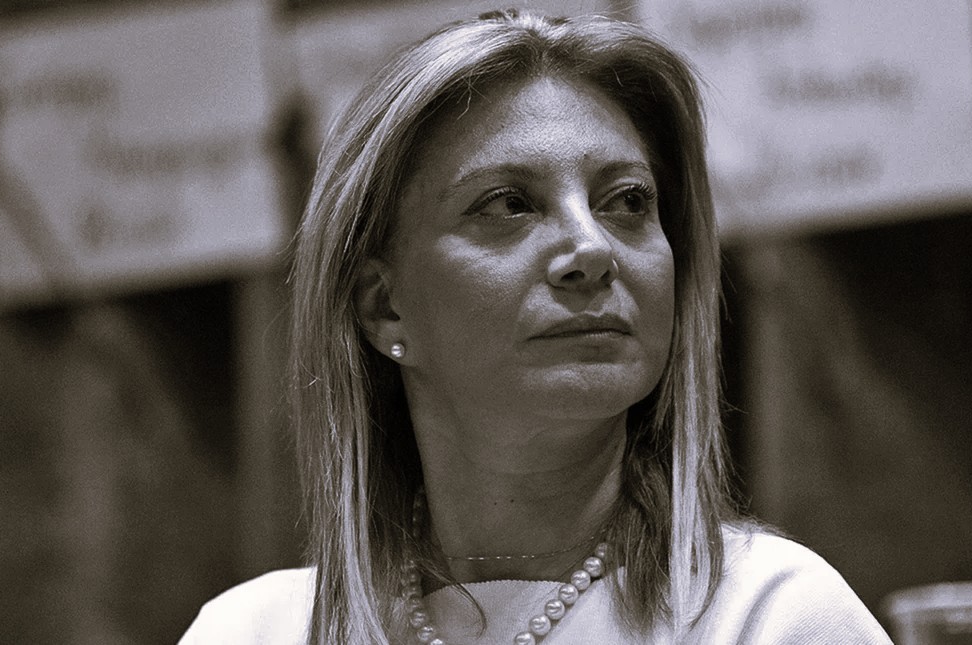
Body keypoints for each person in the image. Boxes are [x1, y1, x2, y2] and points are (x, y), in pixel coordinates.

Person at [180, 9, 890, 644]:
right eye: (507, 204)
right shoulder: (252, 631)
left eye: (627, 201)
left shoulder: (770, 615)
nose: (591, 248)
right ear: (383, 307)